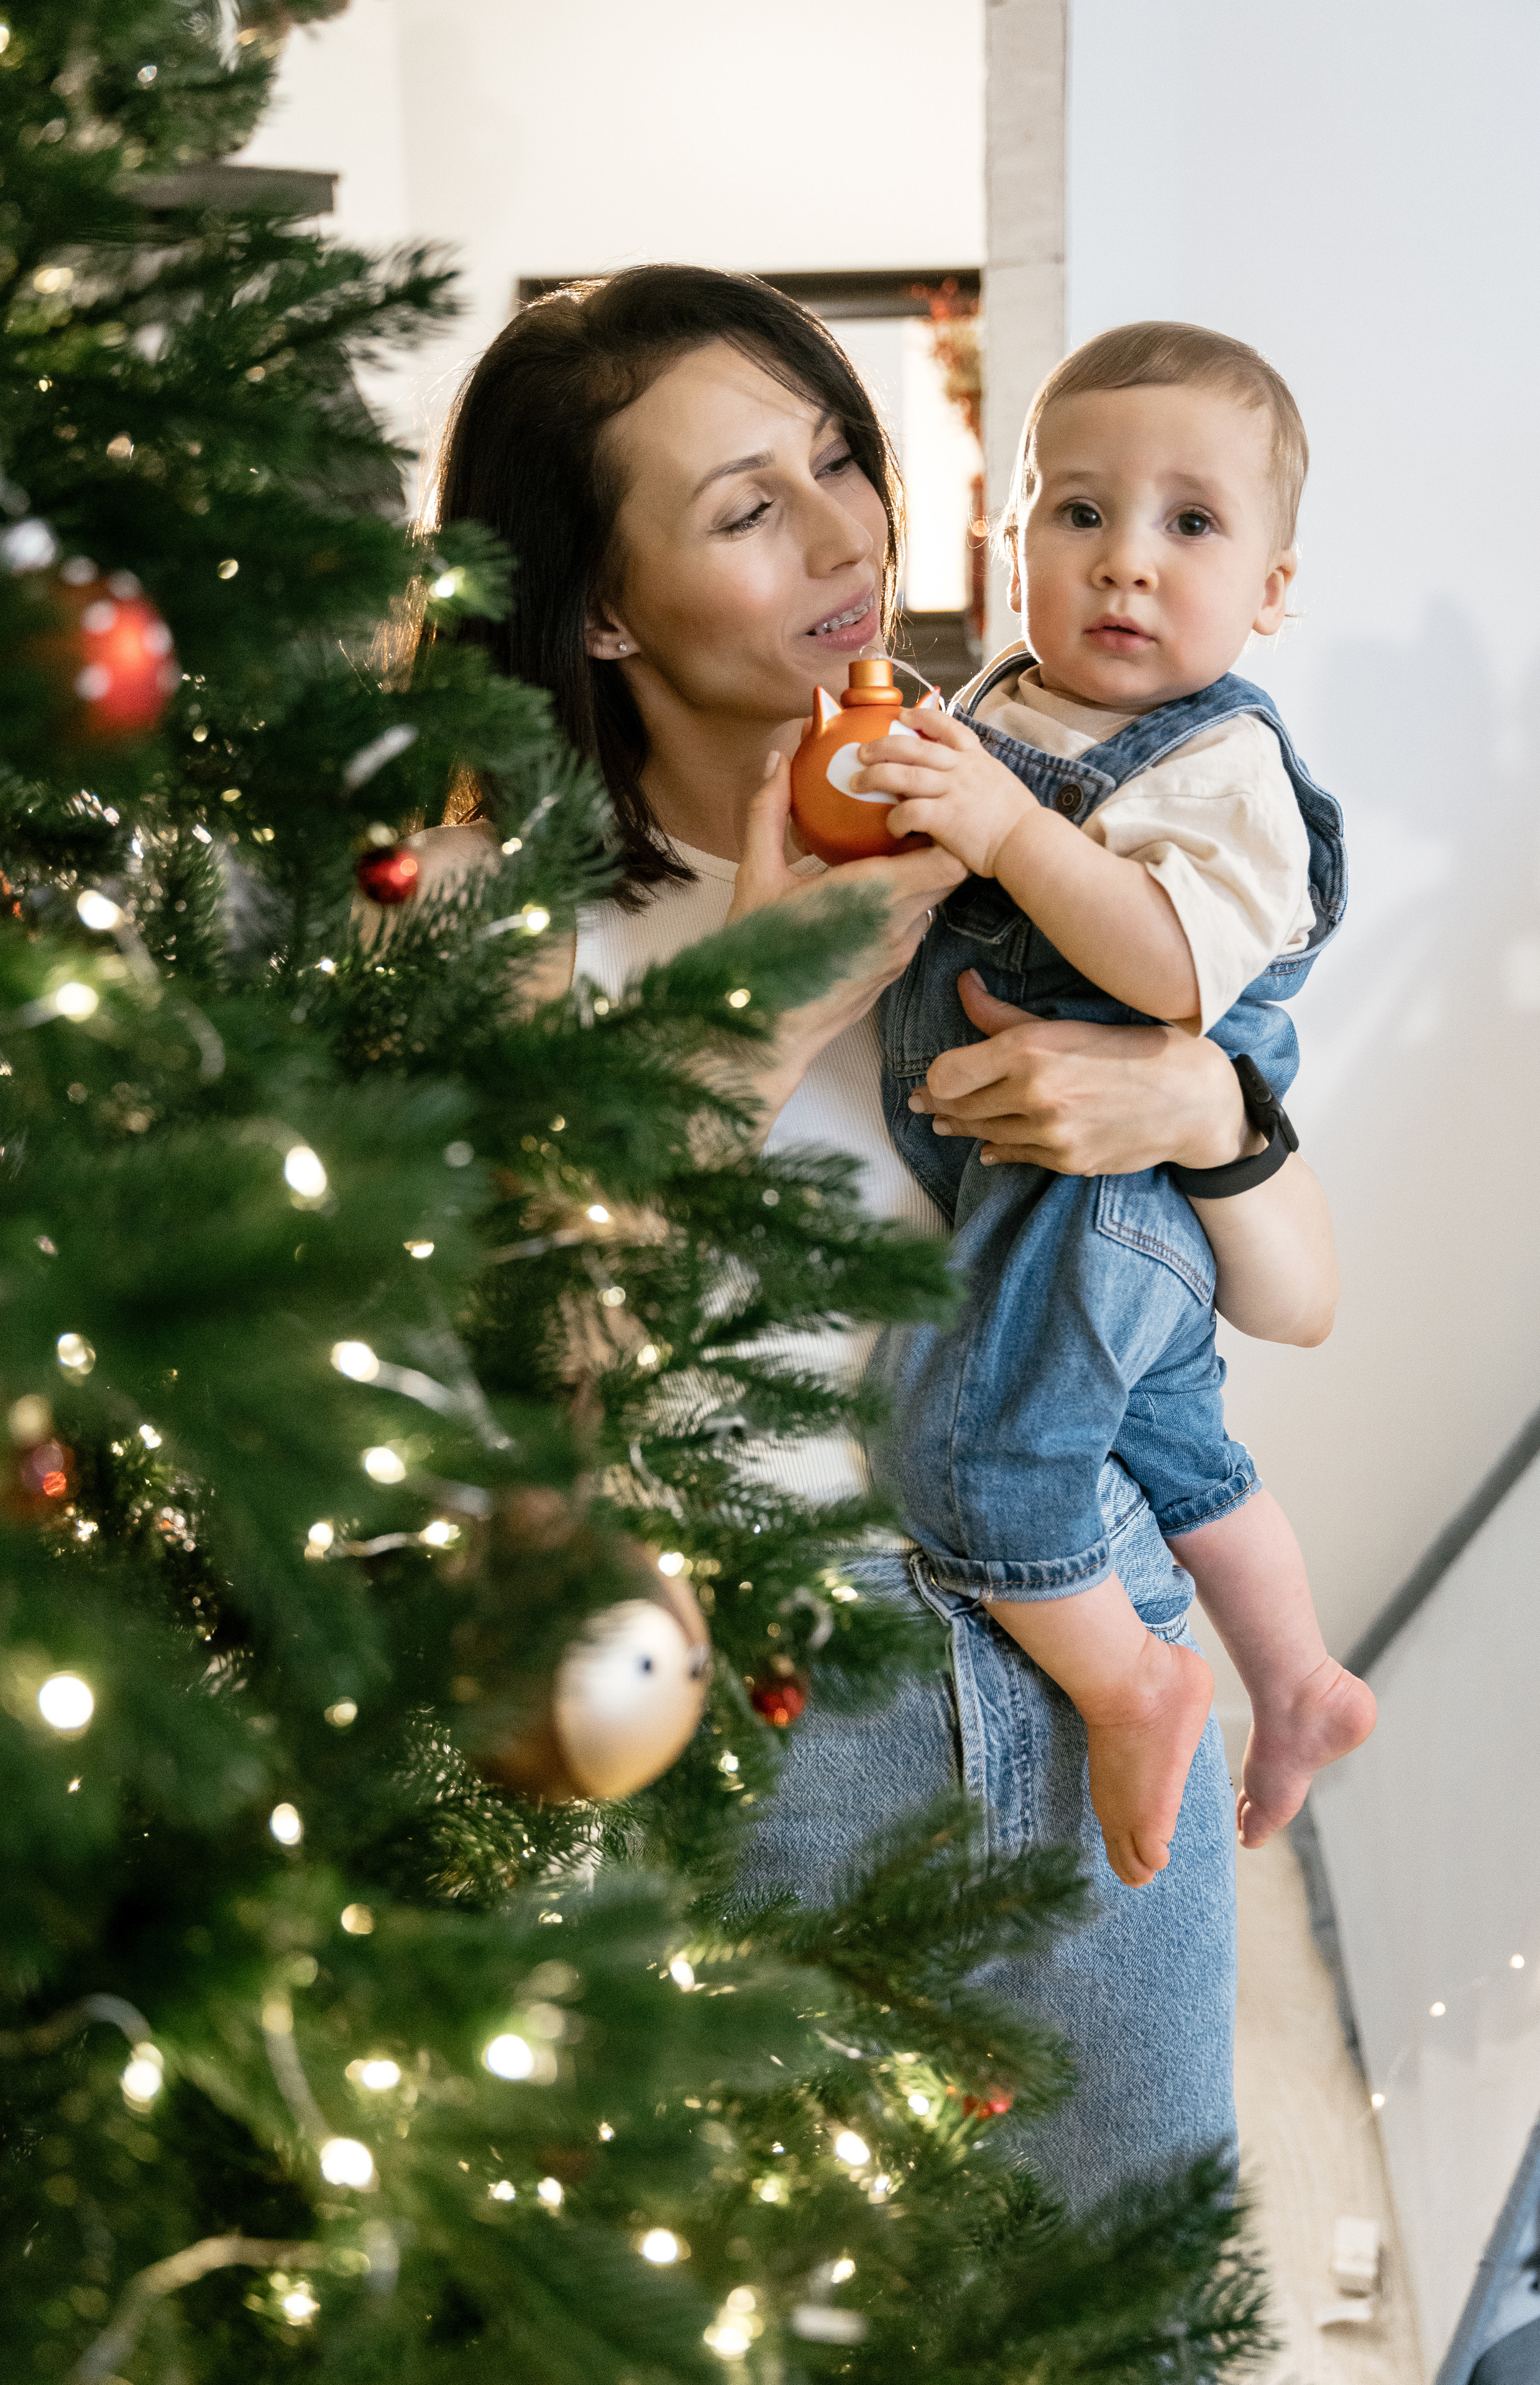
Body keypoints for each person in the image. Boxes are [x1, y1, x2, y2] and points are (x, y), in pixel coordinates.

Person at [421, 265, 1341, 2207]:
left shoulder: (1031, 781)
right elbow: (538, 1394)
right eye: (749, 507)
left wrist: (1215, 1113)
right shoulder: (501, 907)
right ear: (596, 601)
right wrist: (761, 1006)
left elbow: (1293, 1298)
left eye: (841, 457)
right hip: (764, 1721)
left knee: (1133, 2305)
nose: (846, 534)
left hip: (1099, 1646)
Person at [848, 323, 1375, 1890]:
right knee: (1168, 1438)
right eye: (1075, 514)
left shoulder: (1220, 767)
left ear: (1271, 590)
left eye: (1188, 524)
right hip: (1028, 1176)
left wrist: (1004, 831)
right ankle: (1295, 1676)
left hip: (1113, 1189)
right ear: (1009, 545)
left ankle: (1131, 1679)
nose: (1122, 564)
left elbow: (1164, 970)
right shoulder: (1008, 706)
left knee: (969, 1447)